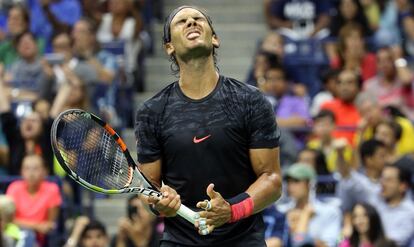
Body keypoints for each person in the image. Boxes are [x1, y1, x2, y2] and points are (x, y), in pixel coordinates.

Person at [134, 5, 282, 246]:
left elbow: (272, 180)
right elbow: (149, 188)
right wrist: (162, 205)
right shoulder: (152, 111)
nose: (192, 23)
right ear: (169, 46)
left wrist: (231, 211)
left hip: (243, 240)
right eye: (182, 22)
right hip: (180, 241)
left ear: (214, 38)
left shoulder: (251, 100)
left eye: (198, 19)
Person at [6, 154, 62, 245]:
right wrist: (37, 226)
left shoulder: (52, 189)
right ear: (21, 171)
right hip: (15, 235)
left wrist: (32, 227)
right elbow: (9, 220)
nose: (31, 173)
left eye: (35, 168)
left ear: (45, 171)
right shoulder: (14, 187)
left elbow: (50, 225)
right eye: (27, 168)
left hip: (39, 239)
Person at [281, 163, 342, 247]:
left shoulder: (330, 212)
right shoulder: (282, 211)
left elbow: (329, 245)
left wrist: (301, 231)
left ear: (309, 183)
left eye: (296, 181)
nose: (291, 186)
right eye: (288, 182)